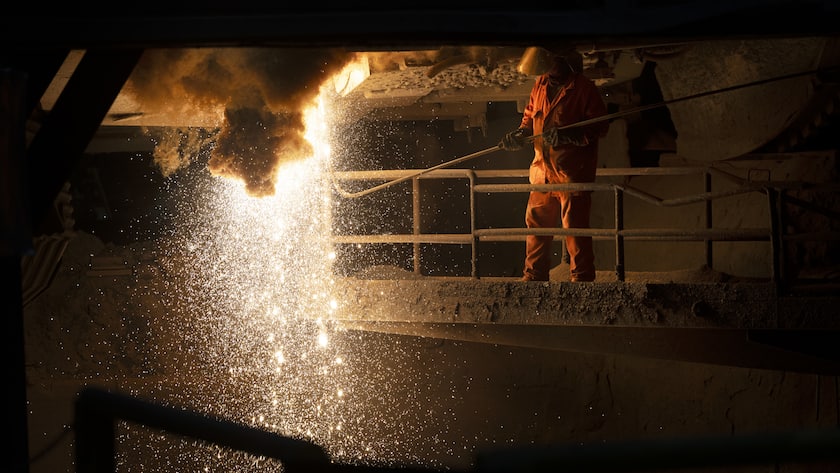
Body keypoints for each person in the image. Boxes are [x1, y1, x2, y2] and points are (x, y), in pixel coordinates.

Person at [500, 47, 609, 282]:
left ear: (565, 62)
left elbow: (600, 127)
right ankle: (534, 277)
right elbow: (529, 118)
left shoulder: (583, 89)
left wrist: (570, 136)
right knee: (537, 227)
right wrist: (520, 134)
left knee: (575, 231)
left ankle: (582, 280)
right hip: (542, 172)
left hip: (571, 173)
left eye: (551, 67)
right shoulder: (540, 84)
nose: (547, 73)